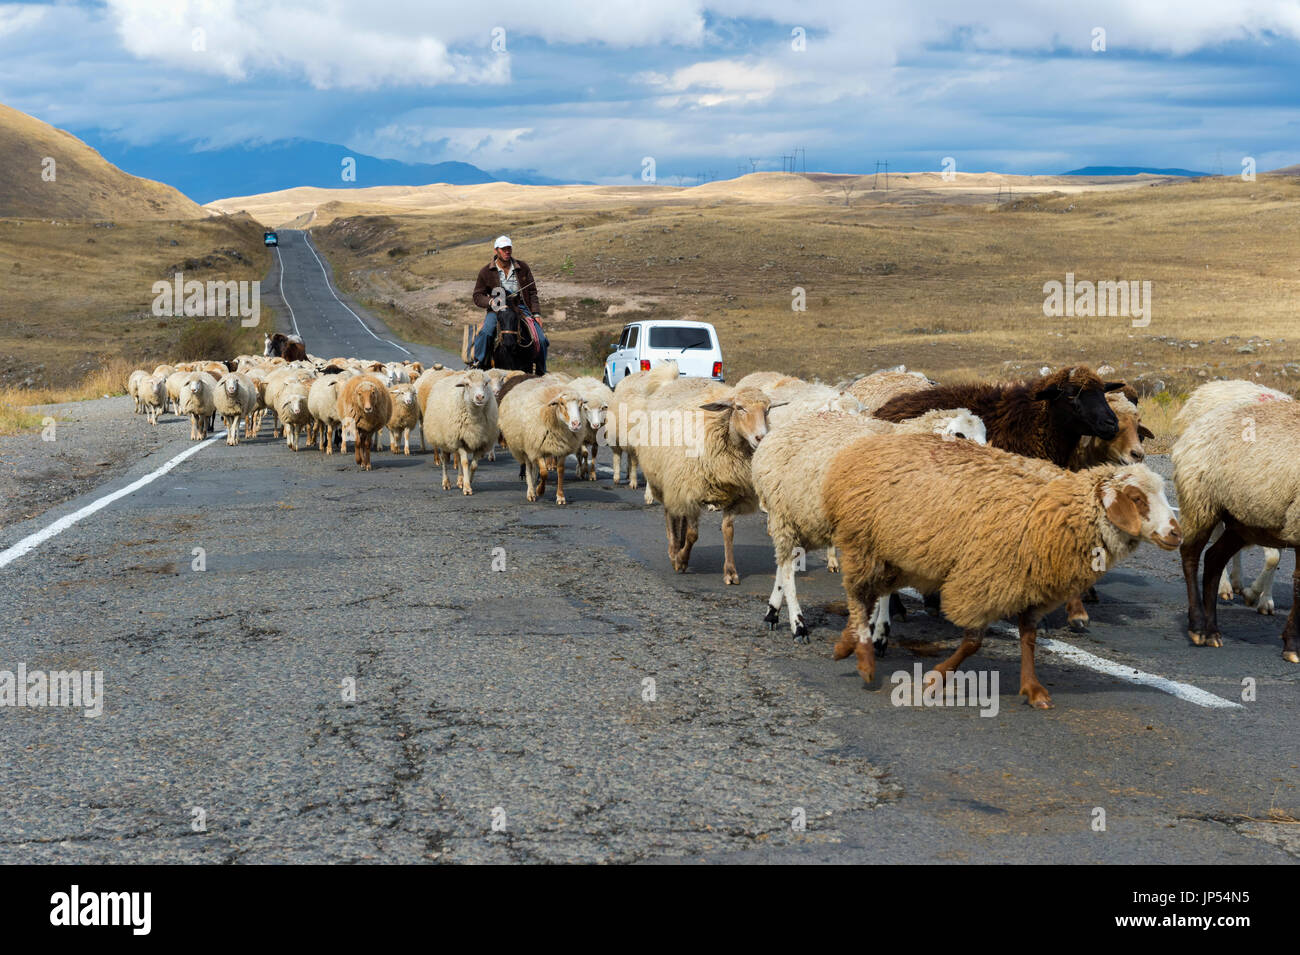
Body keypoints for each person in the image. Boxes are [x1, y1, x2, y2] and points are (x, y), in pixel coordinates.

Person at [469, 236, 549, 372]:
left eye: (509, 248)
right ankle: (478, 363)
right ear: (496, 251)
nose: (507, 251)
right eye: (503, 249)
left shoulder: (522, 267)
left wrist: (536, 314)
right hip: (497, 309)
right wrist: (491, 301)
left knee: (541, 339)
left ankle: (541, 370)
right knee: (486, 333)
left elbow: (532, 293)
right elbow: (477, 296)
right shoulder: (486, 271)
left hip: (521, 308)